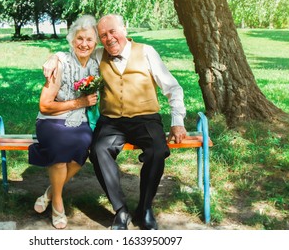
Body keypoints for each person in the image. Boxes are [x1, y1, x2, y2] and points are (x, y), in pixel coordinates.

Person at [43, 14, 187, 230]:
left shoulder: (146, 52)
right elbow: (75, 52)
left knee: (157, 150)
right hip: (112, 121)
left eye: (112, 32)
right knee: (99, 150)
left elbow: (172, 88)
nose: (109, 38)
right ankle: (121, 210)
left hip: (145, 118)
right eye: (103, 35)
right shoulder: (99, 55)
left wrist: (177, 121)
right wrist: (54, 56)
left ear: (124, 30)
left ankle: (145, 208)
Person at [30, 15, 99, 229]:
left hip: (80, 122)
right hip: (51, 121)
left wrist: (81, 106)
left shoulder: (97, 63)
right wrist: (79, 102)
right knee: (60, 153)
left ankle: (51, 192)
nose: (84, 44)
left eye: (89, 40)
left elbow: (124, 45)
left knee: (82, 148)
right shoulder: (60, 65)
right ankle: (58, 204)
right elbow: (44, 105)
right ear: (72, 40)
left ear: (96, 43)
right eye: (79, 38)